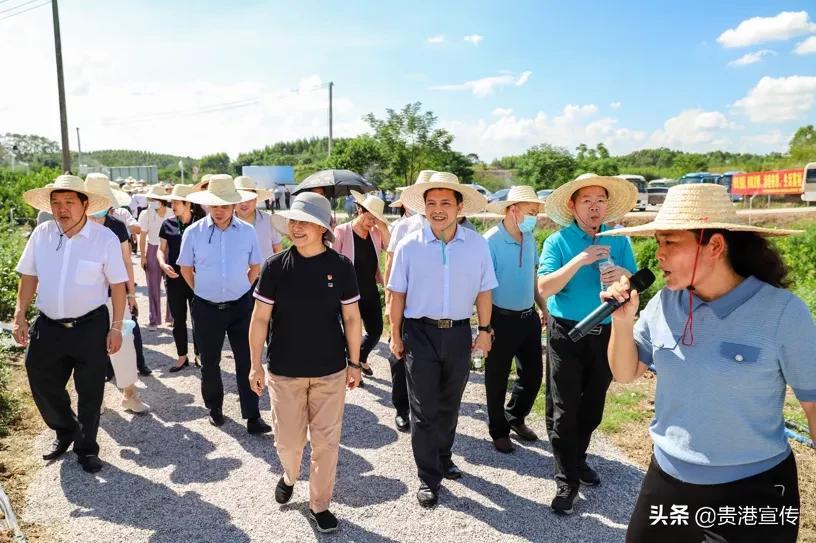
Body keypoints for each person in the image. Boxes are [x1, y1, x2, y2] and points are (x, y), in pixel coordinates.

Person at [602, 184, 815, 543]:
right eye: (658, 242)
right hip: (668, 481)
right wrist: (621, 321)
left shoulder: (782, 311)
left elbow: (812, 404)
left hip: (753, 492)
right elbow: (625, 373)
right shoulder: (664, 304)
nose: (659, 255)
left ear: (715, 245)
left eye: (670, 242)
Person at [248, 191, 362, 534]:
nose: (297, 228)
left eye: (306, 222)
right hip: (285, 371)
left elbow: (353, 319)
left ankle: (319, 504)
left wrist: (355, 363)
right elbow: (259, 319)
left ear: (322, 228)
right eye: (294, 221)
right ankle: (288, 474)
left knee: (326, 442)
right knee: (289, 442)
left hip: (330, 370)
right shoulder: (275, 266)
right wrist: (255, 364)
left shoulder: (340, 267)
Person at [388, 172, 495, 508]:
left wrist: (486, 331)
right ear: (423, 208)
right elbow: (396, 295)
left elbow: (484, 290)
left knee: (450, 404)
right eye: (431, 203)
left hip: (460, 332)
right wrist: (394, 335)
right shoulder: (409, 246)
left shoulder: (477, 245)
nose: (438, 209)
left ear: (459, 207)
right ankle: (428, 476)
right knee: (423, 408)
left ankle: (444, 456)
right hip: (419, 333)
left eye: (445, 203)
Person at [536, 173, 638, 514]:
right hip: (567, 332)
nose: (595, 208)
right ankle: (567, 481)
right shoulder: (558, 242)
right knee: (565, 409)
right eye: (587, 201)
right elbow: (545, 288)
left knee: (593, 406)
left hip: (607, 334)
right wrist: (581, 259)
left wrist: (621, 272)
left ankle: (577, 459)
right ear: (573, 205)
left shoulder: (619, 239)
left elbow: (636, 285)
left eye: (600, 201)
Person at [12, 175, 127, 473]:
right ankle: (65, 429)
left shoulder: (105, 239)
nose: (62, 209)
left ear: (85, 204)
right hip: (48, 325)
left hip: (90, 326)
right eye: (56, 203)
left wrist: (116, 327)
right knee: (39, 377)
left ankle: (87, 448)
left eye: (69, 202)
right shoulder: (42, 234)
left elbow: (117, 286)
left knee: (90, 392)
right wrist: (20, 314)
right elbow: (29, 277)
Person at [178, 175, 271, 434]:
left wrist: (243, 287)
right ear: (207, 206)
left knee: (248, 361)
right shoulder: (193, 232)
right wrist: (201, 291)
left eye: (224, 205)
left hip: (241, 306)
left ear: (233, 205)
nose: (219, 211)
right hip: (206, 307)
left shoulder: (247, 232)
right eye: (214, 205)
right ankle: (215, 408)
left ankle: (253, 416)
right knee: (210, 362)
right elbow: (186, 269)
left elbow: (256, 267)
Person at [483, 186, 547, 453]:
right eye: (531, 212)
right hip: (500, 319)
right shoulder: (490, 241)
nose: (534, 218)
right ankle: (498, 430)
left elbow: (532, 276)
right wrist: (484, 326)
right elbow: (483, 287)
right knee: (496, 378)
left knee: (533, 375)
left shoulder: (529, 236)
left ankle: (515, 416)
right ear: (513, 210)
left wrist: (543, 306)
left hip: (528, 317)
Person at [84, 175, 153, 380]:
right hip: (89, 295)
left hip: (116, 292)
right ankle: (103, 377)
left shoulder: (117, 225)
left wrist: (131, 294)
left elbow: (126, 262)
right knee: (92, 339)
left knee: (126, 333)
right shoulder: (77, 227)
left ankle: (131, 384)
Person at [382, 171, 435, 432]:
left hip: (431, 308)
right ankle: (402, 408)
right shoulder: (403, 227)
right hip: (404, 303)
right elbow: (390, 265)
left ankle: (424, 411)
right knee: (398, 356)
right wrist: (389, 304)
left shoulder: (454, 228)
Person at [332, 191, 390, 377]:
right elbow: (332, 260)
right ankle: (352, 367)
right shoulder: (342, 231)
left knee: (376, 330)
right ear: (359, 211)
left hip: (369, 288)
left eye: (375, 219)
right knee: (349, 331)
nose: (371, 222)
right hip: (347, 291)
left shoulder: (375, 233)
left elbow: (391, 249)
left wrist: (382, 228)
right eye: (369, 217)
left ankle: (359, 358)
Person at [156, 184, 203, 372]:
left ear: (188, 203)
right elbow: (161, 249)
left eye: (176, 202)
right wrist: (162, 264)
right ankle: (182, 356)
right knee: (178, 319)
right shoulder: (167, 224)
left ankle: (200, 355)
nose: (173, 205)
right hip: (174, 278)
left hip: (196, 279)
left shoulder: (201, 224)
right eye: (172, 202)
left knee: (198, 318)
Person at [138, 185, 172, 328]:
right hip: (152, 248)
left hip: (170, 249)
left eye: (153, 199)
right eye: (149, 199)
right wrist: (143, 256)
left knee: (171, 285)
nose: (150, 201)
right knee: (153, 286)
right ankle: (154, 319)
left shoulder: (171, 213)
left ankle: (172, 317)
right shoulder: (146, 214)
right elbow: (142, 235)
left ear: (161, 200)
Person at [234, 176, 283, 261]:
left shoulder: (269, 220)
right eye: (240, 199)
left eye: (248, 199)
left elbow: (277, 248)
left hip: (266, 272)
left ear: (255, 199)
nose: (244, 203)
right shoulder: (225, 222)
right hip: (237, 273)